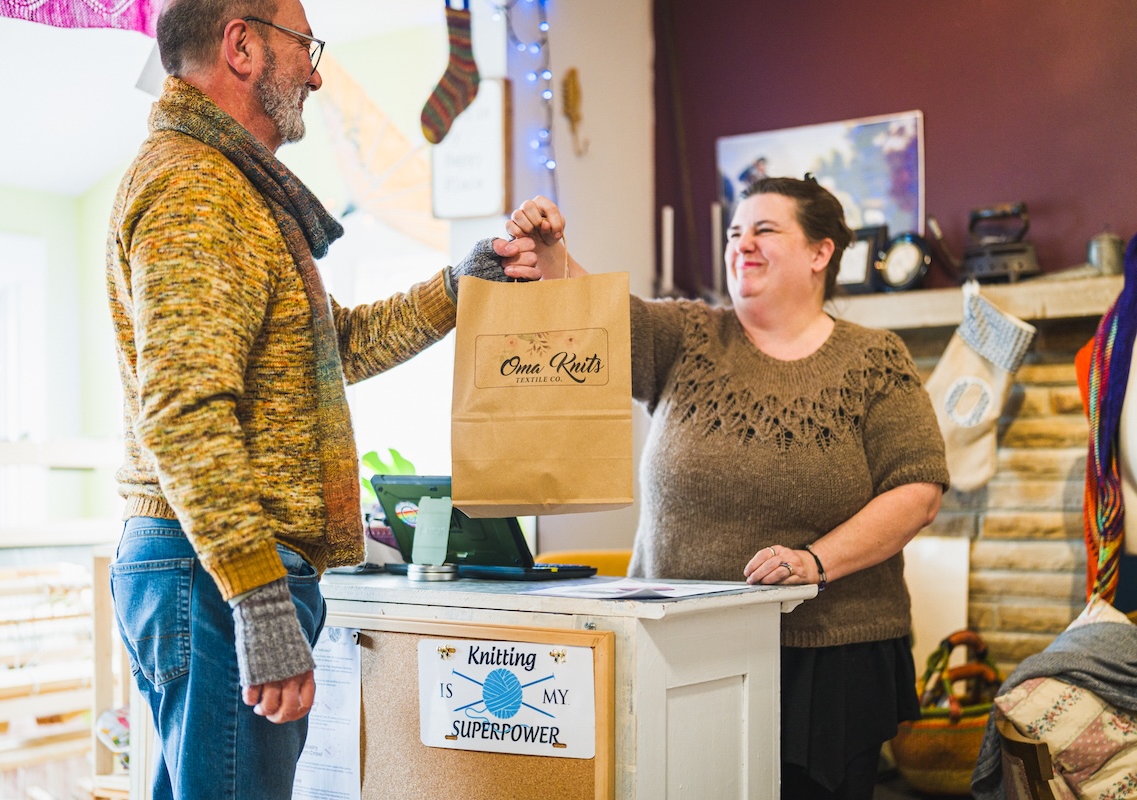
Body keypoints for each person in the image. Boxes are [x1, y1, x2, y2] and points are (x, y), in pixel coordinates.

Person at [105, 1, 542, 796]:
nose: (314, 73)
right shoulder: (197, 187)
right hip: (215, 575)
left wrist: (458, 285)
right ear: (242, 45)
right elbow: (183, 413)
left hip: (206, 571)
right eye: (304, 46)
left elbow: (330, 345)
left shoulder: (227, 185)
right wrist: (257, 597)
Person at [503, 177, 950, 800]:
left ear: (820, 252)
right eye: (736, 232)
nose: (743, 243)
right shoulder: (687, 335)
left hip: (830, 656)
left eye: (765, 229)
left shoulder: (874, 360)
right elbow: (598, 317)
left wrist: (814, 562)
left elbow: (918, 491)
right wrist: (554, 258)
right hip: (677, 641)